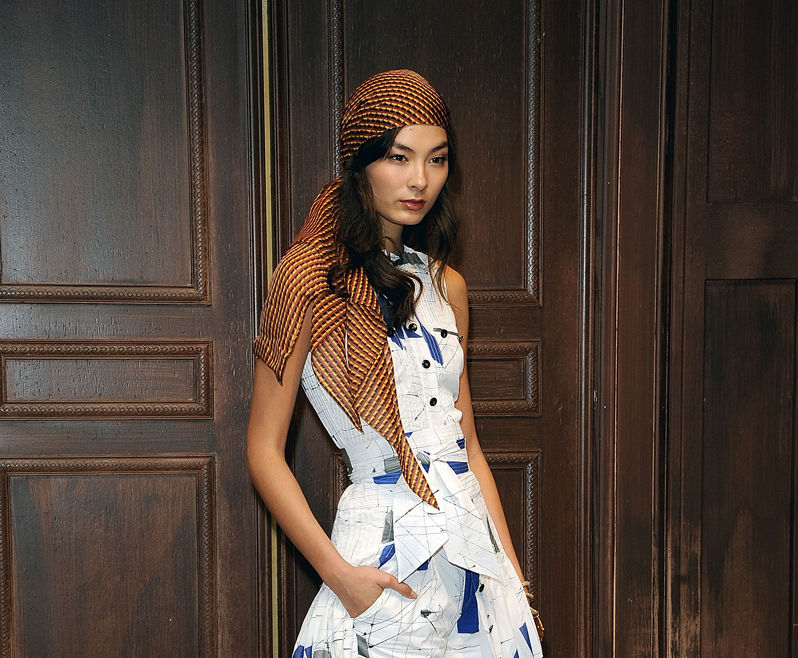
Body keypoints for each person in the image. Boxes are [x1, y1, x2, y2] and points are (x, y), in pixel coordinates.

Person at [247, 69, 544, 658]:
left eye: (437, 160)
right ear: (362, 161)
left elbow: (468, 448)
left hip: (474, 559)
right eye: (400, 157)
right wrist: (341, 579)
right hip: (381, 560)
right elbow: (262, 450)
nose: (420, 180)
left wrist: (514, 579)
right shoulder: (306, 282)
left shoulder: (445, 285)